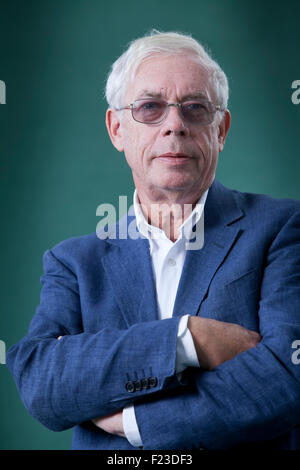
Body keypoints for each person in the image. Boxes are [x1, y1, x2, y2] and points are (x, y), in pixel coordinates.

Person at [6, 30, 300, 450]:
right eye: (150, 108)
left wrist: (132, 421)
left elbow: (288, 376)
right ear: (117, 129)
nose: (175, 125)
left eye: (195, 108)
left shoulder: (283, 229)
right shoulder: (74, 262)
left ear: (221, 129)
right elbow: (41, 382)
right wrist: (186, 339)